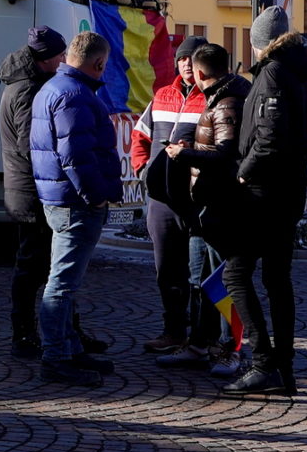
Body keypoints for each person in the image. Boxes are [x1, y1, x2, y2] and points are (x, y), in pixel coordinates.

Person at [224, 7, 307, 396]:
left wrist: (243, 172)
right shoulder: (299, 72)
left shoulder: (273, 74)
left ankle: (264, 363)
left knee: (235, 273)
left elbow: (269, 137)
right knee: (277, 280)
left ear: (259, 43)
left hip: (264, 191)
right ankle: (284, 368)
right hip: (289, 189)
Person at [30, 30, 123, 387]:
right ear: (98, 63)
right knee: (62, 285)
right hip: (75, 203)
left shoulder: (55, 88)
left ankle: (67, 349)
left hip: (62, 199)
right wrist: (96, 196)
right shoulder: (75, 95)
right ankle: (56, 357)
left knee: (63, 283)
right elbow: (76, 156)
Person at [163, 41, 249, 371]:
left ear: (200, 73)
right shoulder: (224, 95)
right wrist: (195, 149)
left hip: (223, 204)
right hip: (210, 205)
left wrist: (183, 154)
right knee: (204, 281)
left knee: (224, 282)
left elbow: (227, 155)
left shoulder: (226, 103)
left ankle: (232, 349)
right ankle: (200, 344)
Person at [132, 35, 210, 356]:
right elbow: (140, 135)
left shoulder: (211, 99)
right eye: (182, 58)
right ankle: (173, 331)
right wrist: (142, 170)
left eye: (192, 59)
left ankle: (201, 337)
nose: (186, 64)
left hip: (196, 202)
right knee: (166, 270)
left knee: (199, 273)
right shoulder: (161, 96)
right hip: (160, 202)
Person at [0, 27, 68, 359]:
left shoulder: (28, 83)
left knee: (53, 264)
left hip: (30, 188)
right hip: (31, 191)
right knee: (33, 266)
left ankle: (65, 330)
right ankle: (23, 334)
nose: (64, 60)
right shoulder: (27, 89)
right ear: (45, 58)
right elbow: (32, 145)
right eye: (60, 55)